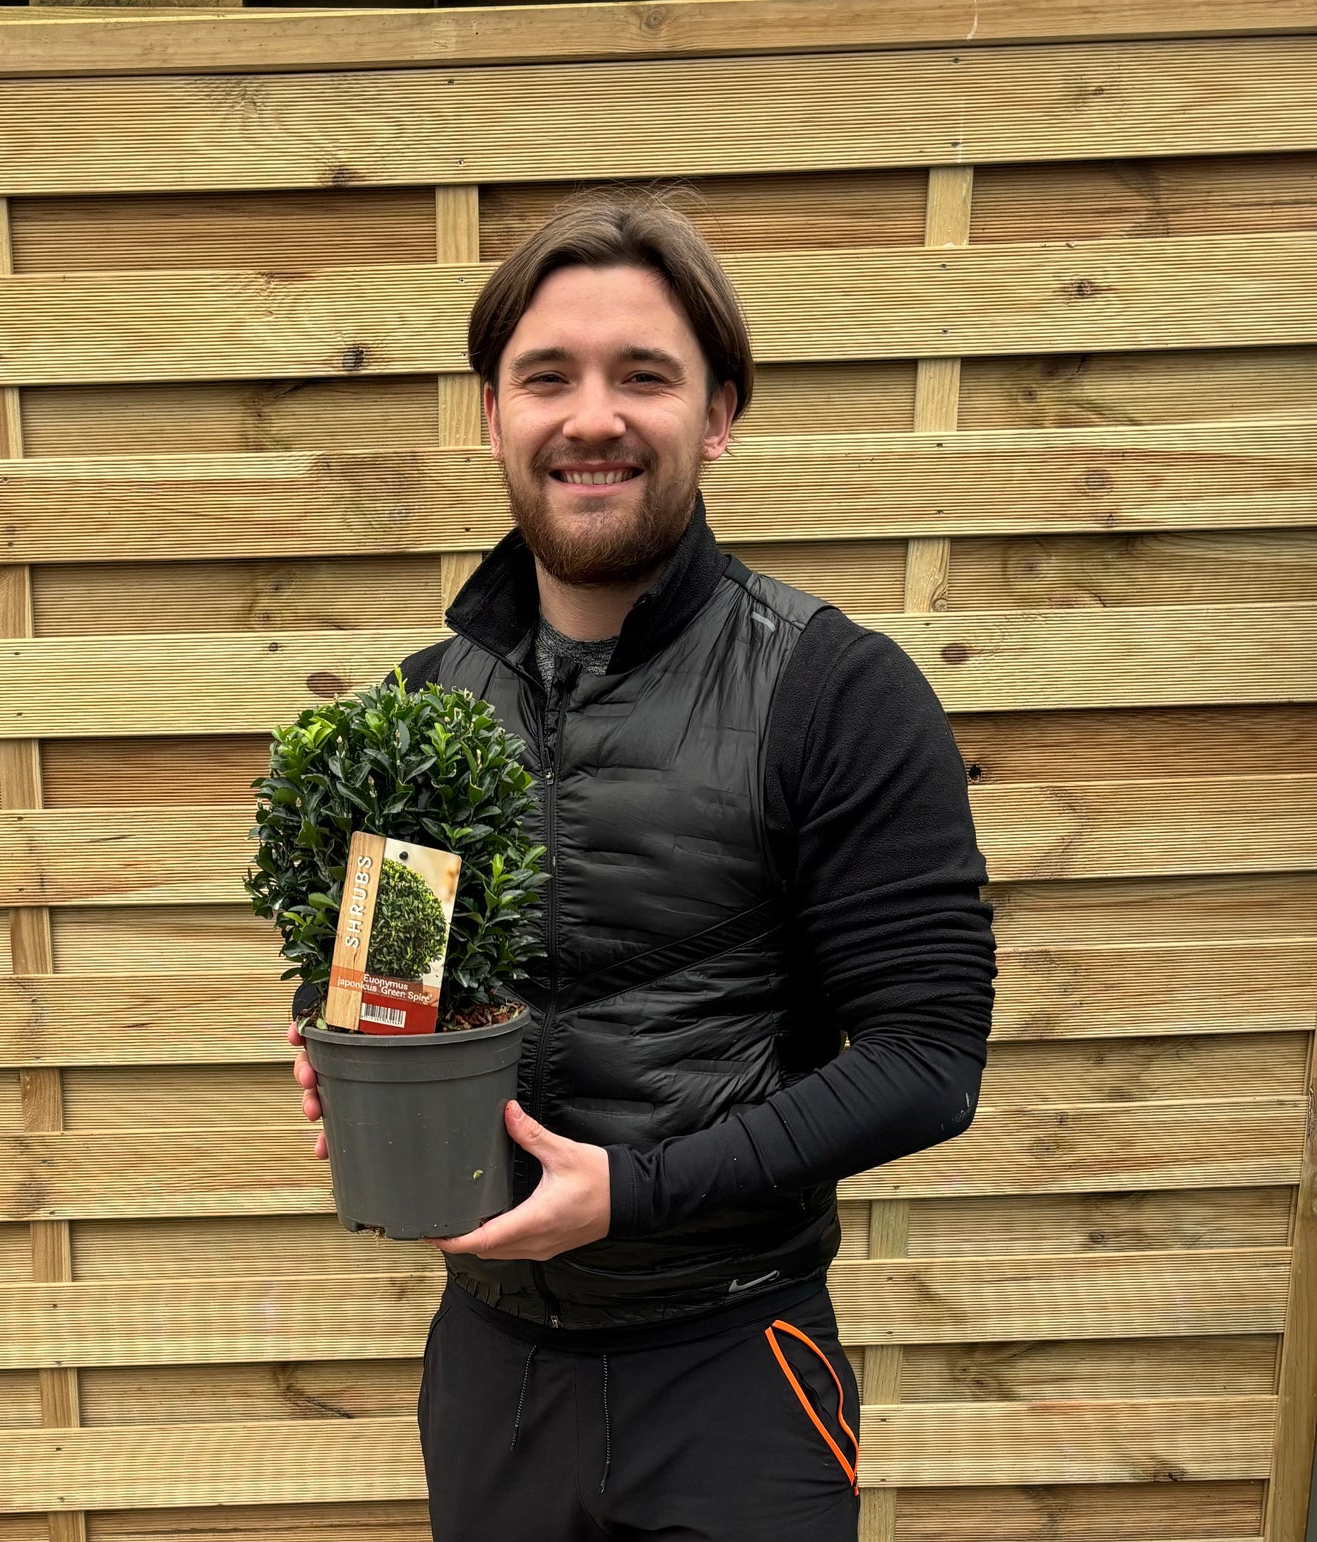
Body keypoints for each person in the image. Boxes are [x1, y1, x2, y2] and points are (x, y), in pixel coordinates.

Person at [289, 190, 996, 1541]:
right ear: (493, 414)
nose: (593, 416)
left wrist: (637, 1191)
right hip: (494, 1370)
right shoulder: (419, 716)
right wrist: (356, 1061)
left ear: (717, 415)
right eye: (546, 375)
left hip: (734, 1370)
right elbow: (397, 996)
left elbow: (930, 1055)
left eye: (645, 376)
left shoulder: (836, 690)